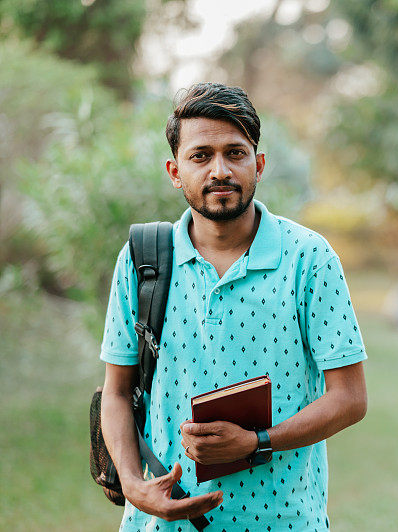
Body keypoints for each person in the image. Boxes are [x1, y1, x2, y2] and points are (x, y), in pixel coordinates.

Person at [100, 82, 368, 531]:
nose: (219, 170)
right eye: (201, 155)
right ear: (175, 170)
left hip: (284, 521)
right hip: (160, 523)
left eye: (235, 153)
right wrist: (132, 483)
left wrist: (255, 442)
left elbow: (350, 398)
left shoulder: (308, 257)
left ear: (258, 164)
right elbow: (117, 391)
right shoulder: (141, 259)